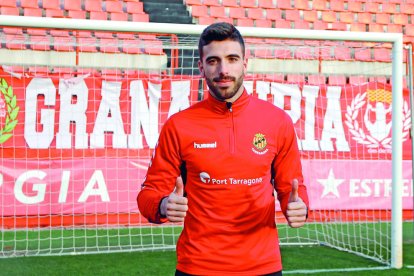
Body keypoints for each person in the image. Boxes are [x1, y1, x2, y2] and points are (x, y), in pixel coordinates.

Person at [137, 22, 309, 276]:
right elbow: (148, 193)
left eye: (232, 59)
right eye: (214, 61)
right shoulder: (179, 125)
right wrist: (163, 205)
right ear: (201, 66)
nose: (223, 70)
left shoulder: (277, 121)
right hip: (198, 267)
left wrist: (300, 207)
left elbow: (292, 188)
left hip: (263, 267)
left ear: (245, 64)